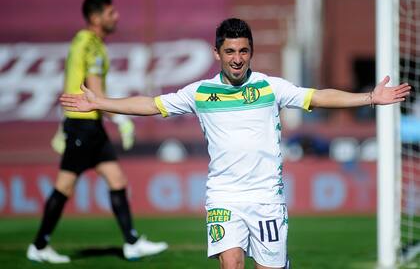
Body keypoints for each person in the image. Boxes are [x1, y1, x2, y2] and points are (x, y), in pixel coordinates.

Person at [60, 18, 411, 269]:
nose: (237, 58)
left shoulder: (269, 87)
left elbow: (318, 97)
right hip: (224, 196)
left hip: (266, 198)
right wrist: (101, 103)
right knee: (231, 263)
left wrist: (369, 99)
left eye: (243, 51)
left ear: (251, 51)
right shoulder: (200, 92)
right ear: (217, 53)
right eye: (230, 51)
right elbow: (151, 105)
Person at [27, 0, 168, 264]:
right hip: (83, 125)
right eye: (110, 13)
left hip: (88, 124)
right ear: (95, 17)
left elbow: (77, 85)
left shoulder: (88, 43)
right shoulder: (90, 44)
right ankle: (39, 245)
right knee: (65, 186)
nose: (116, 17)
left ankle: (132, 242)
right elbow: (95, 94)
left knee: (117, 180)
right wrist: (121, 119)